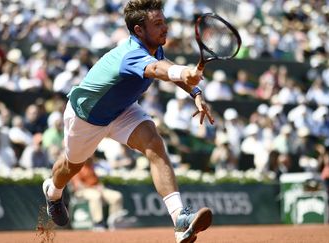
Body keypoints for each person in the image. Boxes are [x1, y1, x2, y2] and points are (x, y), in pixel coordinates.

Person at [41, 1, 214, 242]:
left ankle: (180, 220)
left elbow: (167, 65)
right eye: (158, 24)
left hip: (122, 110)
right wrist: (186, 73)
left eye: (164, 22)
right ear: (138, 30)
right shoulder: (131, 54)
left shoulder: (155, 46)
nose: (165, 28)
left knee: (154, 143)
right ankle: (53, 192)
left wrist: (195, 92)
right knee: (72, 167)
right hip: (87, 116)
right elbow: (158, 69)